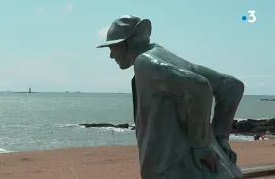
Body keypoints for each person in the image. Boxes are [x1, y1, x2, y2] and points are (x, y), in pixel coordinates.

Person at [97, 15, 244, 179]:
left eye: (112, 48)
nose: (111, 55)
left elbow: (199, 87)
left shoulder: (145, 63)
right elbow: (231, 86)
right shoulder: (167, 57)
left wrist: (200, 145)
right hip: (219, 167)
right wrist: (220, 138)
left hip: (176, 169)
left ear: (124, 45)